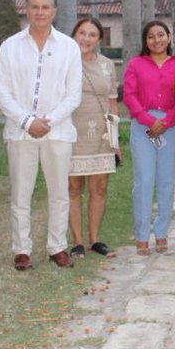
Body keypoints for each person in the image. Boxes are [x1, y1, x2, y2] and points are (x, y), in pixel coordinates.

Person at [0, 0, 83, 271]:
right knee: (21, 193)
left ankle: (57, 246)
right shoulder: (10, 46)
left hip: (58, 132)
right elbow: (2, 91)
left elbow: (73, 93)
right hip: (20, 132)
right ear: (27, 10)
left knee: (59, 192)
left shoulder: (69, 46)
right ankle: (21, 248)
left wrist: (48, 121)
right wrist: (27, 121)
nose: (40, 12)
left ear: (54, 11)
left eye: (46, 7)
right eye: (35, 7)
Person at [122, 20, 175, 255]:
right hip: (142, 126)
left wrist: (166, 122)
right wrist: (149, 121)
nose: (156, 40)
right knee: (144, 180)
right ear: (145, 41)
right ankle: (141, 234)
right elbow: (129, 95)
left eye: (161, 35)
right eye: (151, 36)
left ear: (169, 37)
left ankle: (161, 232)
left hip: (170, 126)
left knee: (167, 181)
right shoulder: (136, 64)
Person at [67, 17, 121, 257]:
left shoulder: (107, 65)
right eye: (82, 33)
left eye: (92, 35)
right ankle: (77, 241)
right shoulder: (63, 62)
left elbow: (112, 102)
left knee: (99, 187)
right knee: (73, 187)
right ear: (74, 34)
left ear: (99, 39)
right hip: (71, 132)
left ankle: (95, 239)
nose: (86, 39)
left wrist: (115, 139)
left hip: (101, 133)